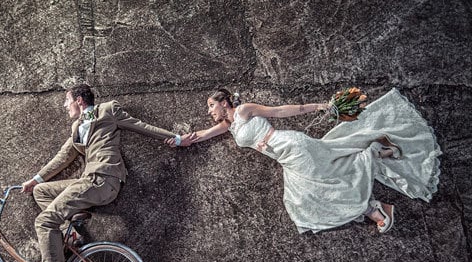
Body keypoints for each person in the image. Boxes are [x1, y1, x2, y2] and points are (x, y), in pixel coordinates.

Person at [168, 88, 441, 234]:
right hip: (284, 157)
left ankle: (375, 209)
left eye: (211, 106)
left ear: (225, 102)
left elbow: (280, 111)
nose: (209, 111)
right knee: (310, 192)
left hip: (291, 145)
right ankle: (376, 155)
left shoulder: (243, 111)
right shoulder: (230, 126)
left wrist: (319, 106)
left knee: (308, 194)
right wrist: (180, 140)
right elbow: (201, 135)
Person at [19, 83, 189, 262]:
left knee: (44, 222)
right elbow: (63, 157)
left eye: (67, 100)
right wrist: (35, 179)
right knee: (42, 192)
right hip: (86, 181)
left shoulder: (108, 110)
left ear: (79, 100)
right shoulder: (77, 126)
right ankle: (72, 231)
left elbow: (139, 126)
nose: (64, 105)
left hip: (102, 180)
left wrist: (177, 139)